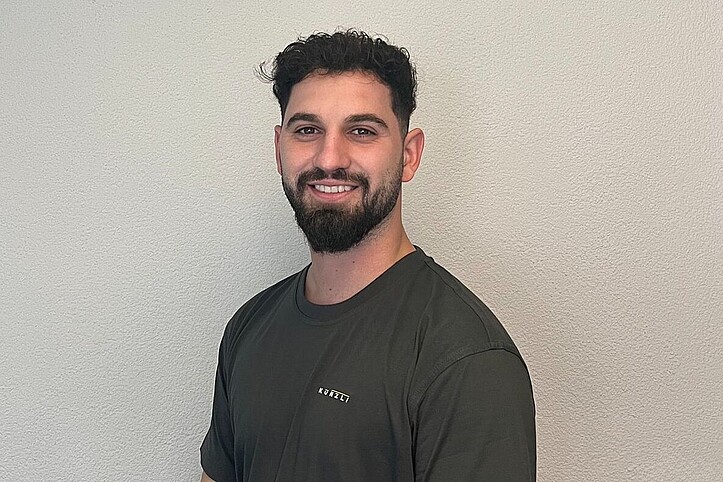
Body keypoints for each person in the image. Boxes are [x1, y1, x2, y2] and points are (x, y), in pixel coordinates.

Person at [200, 30, 536, 482]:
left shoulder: (466, 359)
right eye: (307, 130)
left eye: (361, 131)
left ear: (409, 155)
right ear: (279, 149)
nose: (329, 158)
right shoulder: (248, 328)